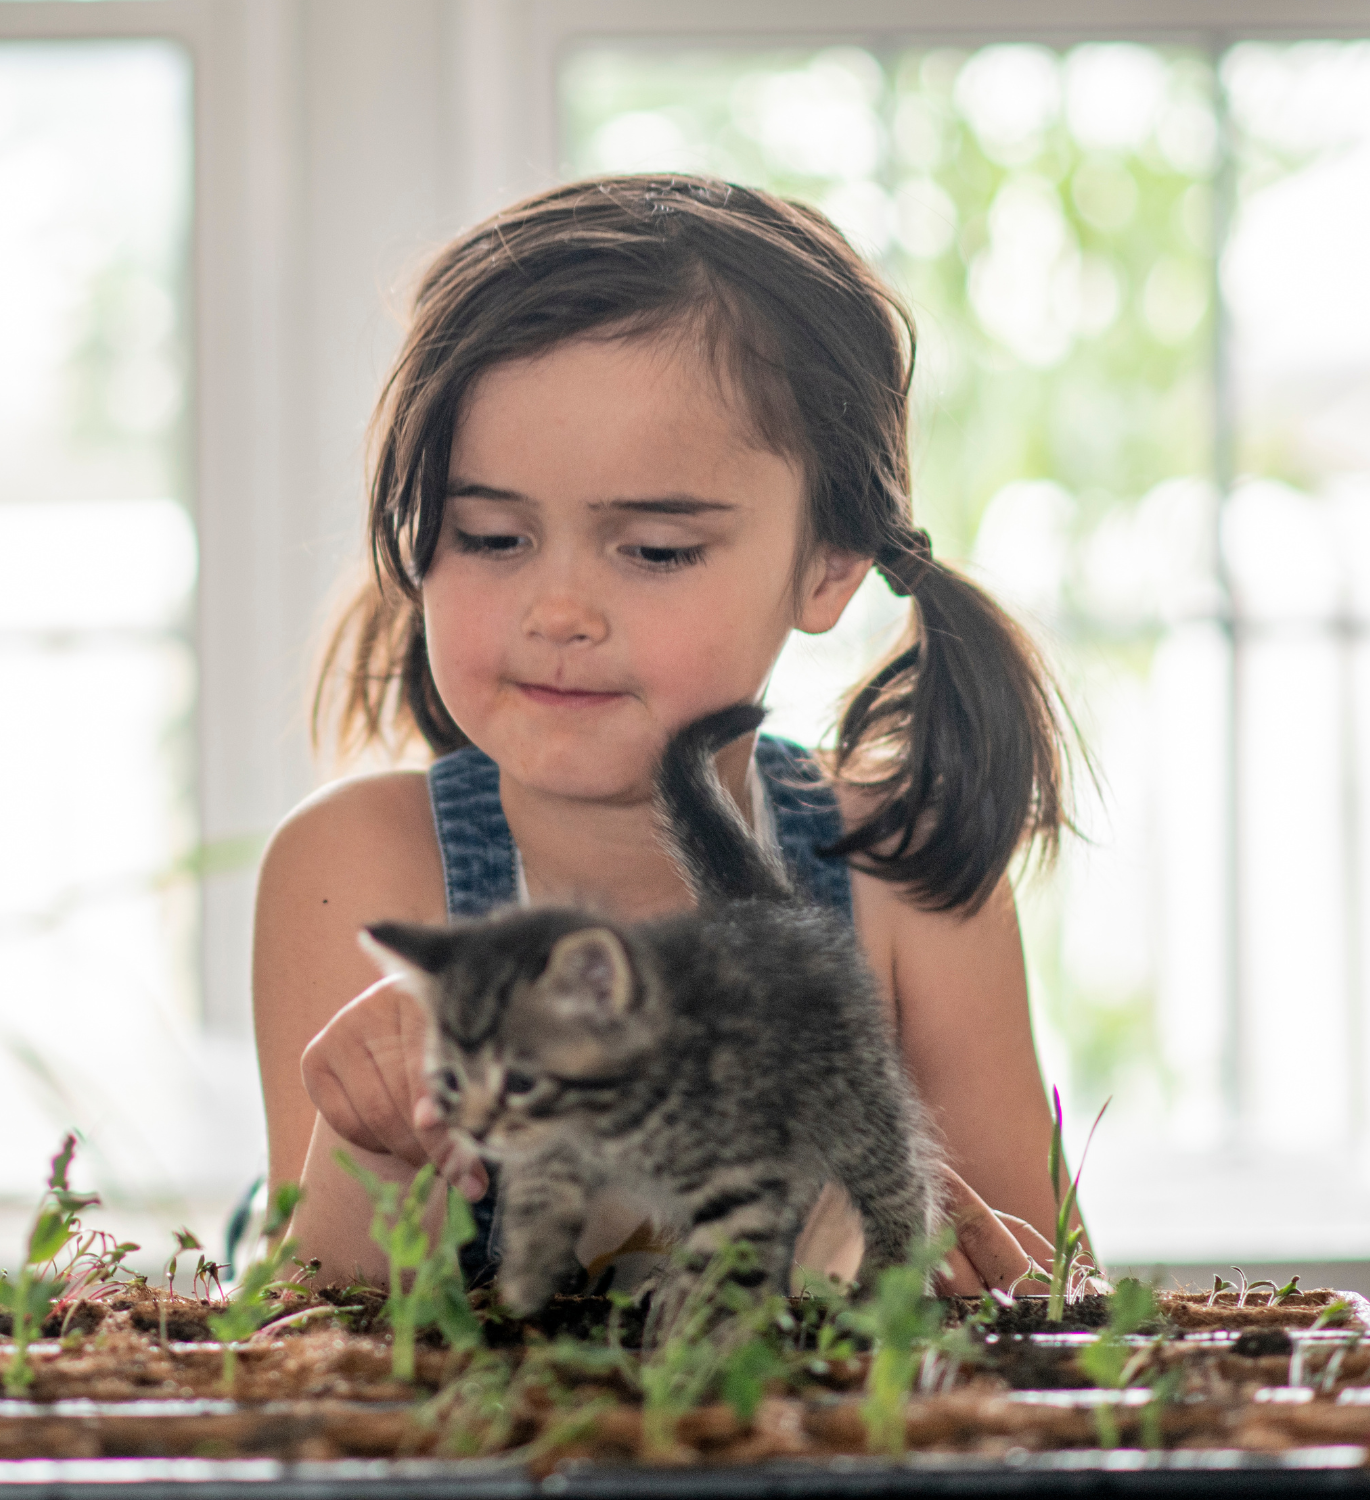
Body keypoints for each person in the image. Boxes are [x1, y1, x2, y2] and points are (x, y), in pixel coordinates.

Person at [253, 175, 1088, 1297]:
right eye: (492, 537)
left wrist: (942, 1264)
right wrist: (376, 1143)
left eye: (652, 551)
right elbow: (312, 1333)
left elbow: (1056, 1314)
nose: (559, 611)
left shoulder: (904, 874)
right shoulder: (356, 866)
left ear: (831, 561)